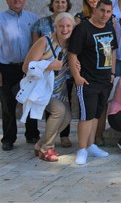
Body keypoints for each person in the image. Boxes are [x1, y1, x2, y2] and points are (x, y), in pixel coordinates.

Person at [68, 0, 117, 165]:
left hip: (104, 80)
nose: (105, 15)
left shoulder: (110, 27)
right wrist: (77, 77)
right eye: (102, 11)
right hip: (87, 80)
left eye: (108, 12)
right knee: (86, 115)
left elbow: (113, 50)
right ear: (95, 9)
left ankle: (91, 145)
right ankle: (82, 149)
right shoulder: (82, 29)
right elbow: (72, 54)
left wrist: (112, 73)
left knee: (96, 114)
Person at [22, 13, 74, 162]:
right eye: (61, 26)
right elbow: (26, 67)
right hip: (43, 89)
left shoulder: (71, 43)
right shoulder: (44, 41)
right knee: (59, 111)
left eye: (68, 26)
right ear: (55, 27)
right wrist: (49, 65)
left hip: (60, 88)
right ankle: (47, 148)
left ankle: (39, 145)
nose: (65, 29)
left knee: (68, 117)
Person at [0, 0, 40, 151]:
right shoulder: (0, 19)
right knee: (8, 103)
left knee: (30, 101)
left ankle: (32, 134)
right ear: (7, 0)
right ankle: (8, 138)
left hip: (28, 67)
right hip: (7, 67)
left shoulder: (33, 18)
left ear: (24, 0)